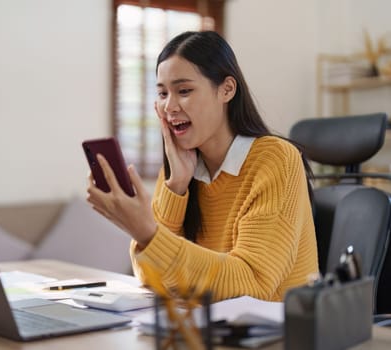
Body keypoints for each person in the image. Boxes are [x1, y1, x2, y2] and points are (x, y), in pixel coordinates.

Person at [86, 31, 318, 302]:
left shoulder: (276, 159)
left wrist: (147, 232)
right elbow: (150, 277)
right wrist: (176, 188)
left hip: (274, 335)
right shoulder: (179, 167)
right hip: (206, 328)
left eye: (184, 91)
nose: (169, 106)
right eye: (162, 93)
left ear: (227, 89)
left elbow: (254, 284)